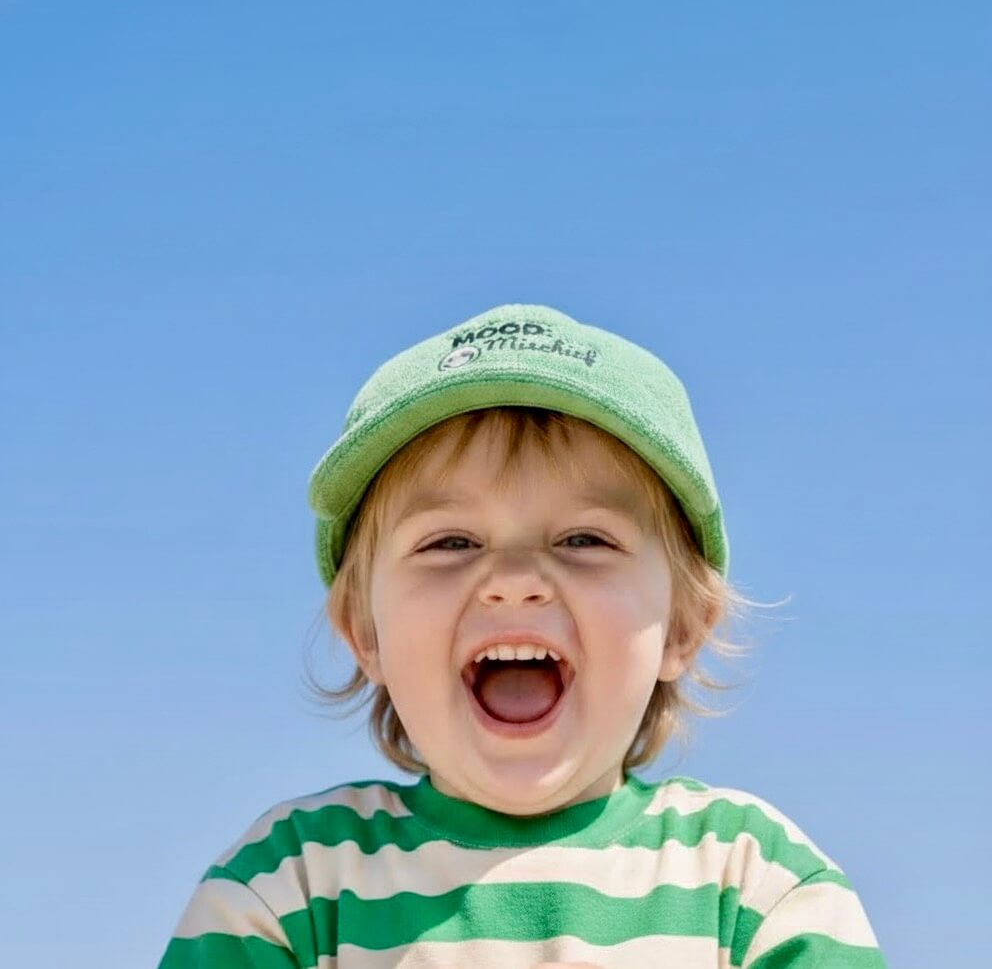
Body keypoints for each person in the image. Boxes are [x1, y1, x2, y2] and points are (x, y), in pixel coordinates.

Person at [159, 305, 886, 968]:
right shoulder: (290, 886)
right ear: (364, 631)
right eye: (450, 542)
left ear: (684, 625)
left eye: (584, 539)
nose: (513, 580)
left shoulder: (756, 886)